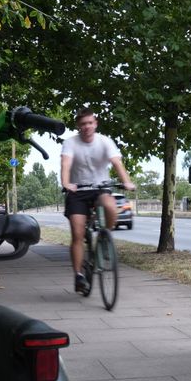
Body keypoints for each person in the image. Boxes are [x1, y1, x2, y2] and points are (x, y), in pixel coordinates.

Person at [61, 107, 135, 294]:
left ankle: (104, 238)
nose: (87, 126)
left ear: (95, 123)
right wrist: (66, 182)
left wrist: (126, 181)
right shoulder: (71, 143)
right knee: (77, 234)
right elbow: (66, 164)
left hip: (100, 188)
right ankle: (78, 275)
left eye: (90, 123)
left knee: (110, 205)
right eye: (83, 124)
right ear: (78, 126)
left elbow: (117, 162)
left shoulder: (104, 141)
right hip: (78, 190)